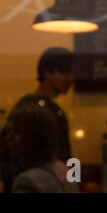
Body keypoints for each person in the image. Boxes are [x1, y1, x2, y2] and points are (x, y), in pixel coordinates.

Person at [0, 47, 76, 192]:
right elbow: (65, 159)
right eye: (65, 72)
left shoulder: (28, 106)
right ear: (47, 72)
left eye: (73, 73)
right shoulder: (39, 110)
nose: (71, 78)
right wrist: (73, 185)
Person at [0, 96, 78, 192]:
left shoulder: (28, 181)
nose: (9, 137)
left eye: (17, 131)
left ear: (35, 136)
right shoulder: (63, 169)